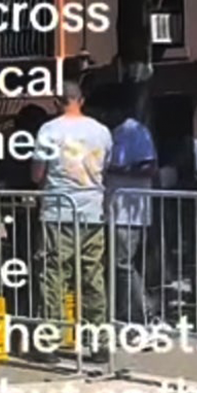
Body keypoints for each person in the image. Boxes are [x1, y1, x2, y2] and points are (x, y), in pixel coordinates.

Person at [32, 84, 112, 339]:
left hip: (59, 211)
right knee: (92, 276)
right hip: (92, 210)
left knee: (54, 275)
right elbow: (104, 168)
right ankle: (98, 340)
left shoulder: (49, 130)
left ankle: (52, 339)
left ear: (57, 102)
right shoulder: (101, 131)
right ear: (82, 100)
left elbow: (37, 174)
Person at [102, 85, 157, 323]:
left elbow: (150, 166)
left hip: (129, 210)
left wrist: (118, 169)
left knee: (122, 263)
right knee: (115, 264)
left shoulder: (135, 131)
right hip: (114, 208)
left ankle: (144, 311)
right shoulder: (112, 132)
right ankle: (122, 311)